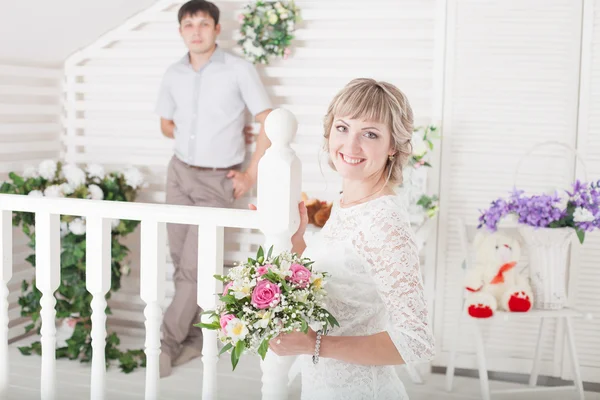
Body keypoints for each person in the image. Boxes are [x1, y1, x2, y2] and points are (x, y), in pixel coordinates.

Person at [264, 78, 435, 399]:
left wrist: (315, 344)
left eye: (370, 134)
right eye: (343, 128)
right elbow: (340, 286)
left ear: (393, 146)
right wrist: (297, 239)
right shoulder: (347, 203)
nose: (351, 145)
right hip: (322, 385)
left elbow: (416, 341)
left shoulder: (384, 223)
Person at [154, 0, 273, 378]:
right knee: (181, 263)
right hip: (178, 173)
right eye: (189, 25)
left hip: (217, 180)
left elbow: (269, 122)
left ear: (217, 29)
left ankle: (164, 345)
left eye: (204, 24)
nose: (196, 31)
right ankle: (193, 341)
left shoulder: (239, 69)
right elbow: (166, 124)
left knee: (193, 267)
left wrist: (250, 175)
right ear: (180, 31)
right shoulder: (173, 72)